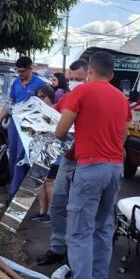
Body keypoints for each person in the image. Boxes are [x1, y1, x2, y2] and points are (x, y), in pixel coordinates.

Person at [51, 52, 131, 279]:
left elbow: (61, 131)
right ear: (111, 73)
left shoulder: (82, 92)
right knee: (103, 229)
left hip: (90, 168)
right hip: (115, 167)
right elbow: (124, 134)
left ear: (90, 71)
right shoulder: (122, 99)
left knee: (78, 233)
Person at [36, 59, 89, 266]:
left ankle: (76, 254)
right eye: (72, 79)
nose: (75, 82)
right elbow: (51, 114)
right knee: (58, 203)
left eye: (79, 79)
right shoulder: (68, 97)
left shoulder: (96, 97)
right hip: (68, 158)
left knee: (80, 209)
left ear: (89, 74)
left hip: (87, 162)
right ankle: (58, 248)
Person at [0, 56, 45, 198]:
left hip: (29, 128)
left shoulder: (40, 84)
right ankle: (14, 187)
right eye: (18, 71)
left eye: (22, 71)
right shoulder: (16, 83)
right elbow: (9, 103)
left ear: (31, 68)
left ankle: (16, 192)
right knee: (12, 157)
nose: (20, 74)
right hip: (14, 126)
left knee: (21, 159)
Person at [31, 85, 59, 223]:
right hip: (38, 151)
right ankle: (42, 211)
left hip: (51, 153)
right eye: (38, 96)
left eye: (43, 96)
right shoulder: (37, 112)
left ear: (50, 97)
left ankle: (50, 213)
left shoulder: (55, 112)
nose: (40, 99)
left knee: (49, 182)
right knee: (40, 182)